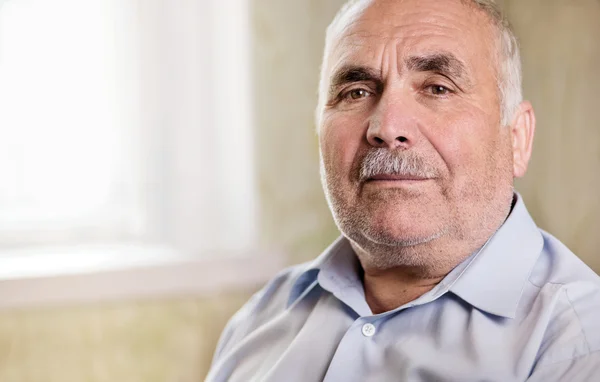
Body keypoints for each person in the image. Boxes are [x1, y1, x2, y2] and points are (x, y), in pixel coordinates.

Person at [206, 0, 600, 380]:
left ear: (517, 137)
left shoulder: (579, 341)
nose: (387, 126)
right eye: (356, 92)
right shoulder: (261, 316)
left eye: (437, 88)